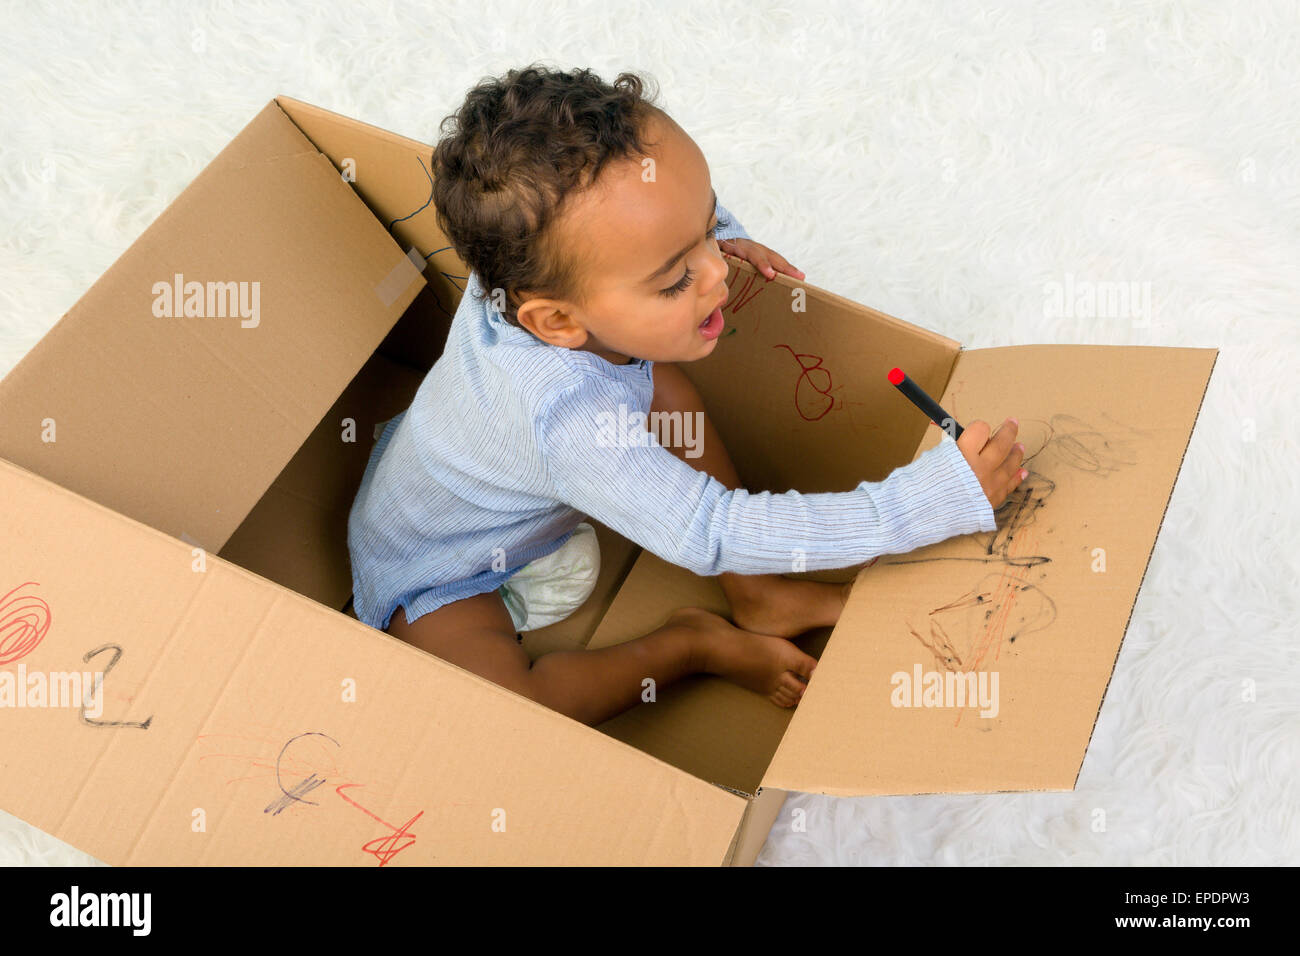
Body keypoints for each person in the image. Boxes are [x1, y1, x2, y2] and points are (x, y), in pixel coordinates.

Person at [347, 65, 1026, 727]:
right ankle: (690, 644)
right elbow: (712, 531)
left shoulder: (523, 264)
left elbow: (652, 213)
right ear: (554, 320)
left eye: (706, 230)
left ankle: (758, 593)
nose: (716, 276)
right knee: (515, 709)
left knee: (658, 381)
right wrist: (927, 500)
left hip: (474, 464)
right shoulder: (564, 420)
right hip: (436, 564)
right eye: (675, 278)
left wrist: (718, 233)